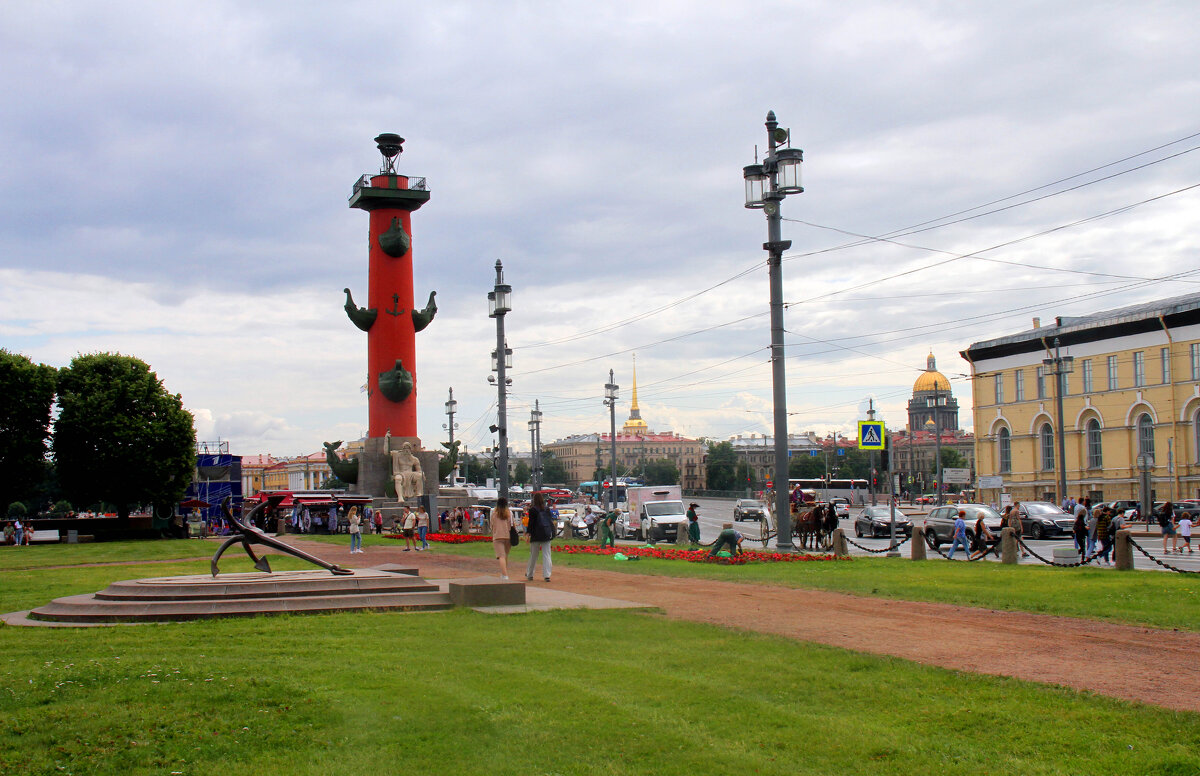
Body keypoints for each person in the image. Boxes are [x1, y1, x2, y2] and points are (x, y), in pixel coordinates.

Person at [524, 492, 555, 582]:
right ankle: (547, 575)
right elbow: (550, 521)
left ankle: (530, 574)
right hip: (545, 534)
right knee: (547, 555)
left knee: (533, 555)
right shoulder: (547, 509)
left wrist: (528, 532)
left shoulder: (532, 510)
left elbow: (531, 523)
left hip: (536, 534)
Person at [489, 498, 514, 579]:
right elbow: (512, 524)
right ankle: (504, 573)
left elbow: (491, 525)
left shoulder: (494, 513)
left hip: (498, 536)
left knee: (501, 556)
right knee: (505, 556)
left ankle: (505, 575)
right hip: (508, 536)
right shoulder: (510, 513)